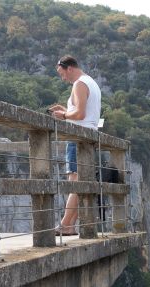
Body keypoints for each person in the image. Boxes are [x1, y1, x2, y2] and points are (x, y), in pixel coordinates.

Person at [49, 55, 102, 236]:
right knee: (79, 183)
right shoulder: (91, 82)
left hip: (77, 138)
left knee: (74, 183)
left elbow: (79, 114)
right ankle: (70, 225)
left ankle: (65, 225)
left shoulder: (79, 84)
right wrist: (65, 111)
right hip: (89, 137)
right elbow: (86, 115)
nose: (62, 77)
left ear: (69, 68)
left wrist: (63, 116)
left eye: (61, 73)